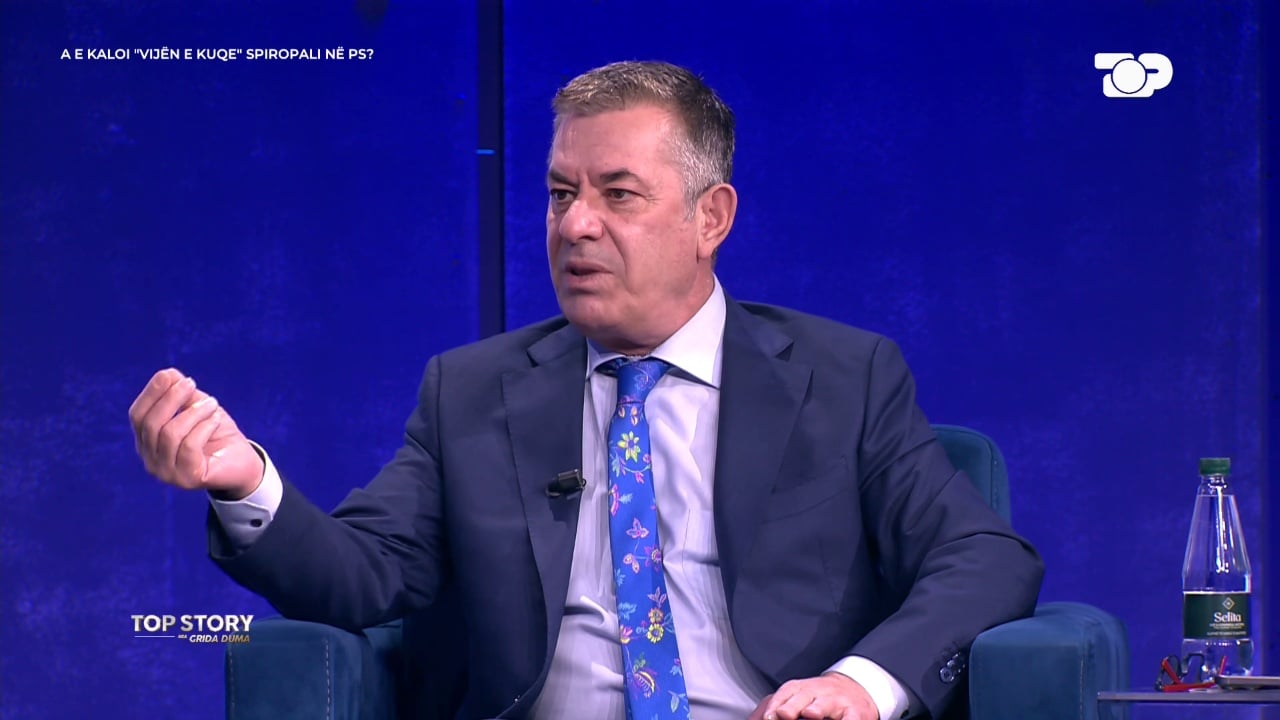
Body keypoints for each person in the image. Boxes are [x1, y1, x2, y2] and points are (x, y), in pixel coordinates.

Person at [129, 60, 1043, 720]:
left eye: (618, 194)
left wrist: (860, 684)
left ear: (711, 218)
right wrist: (243, 481)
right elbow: (363, 575)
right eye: (561, 193)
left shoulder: (844, 377)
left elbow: (985, 558)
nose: (576, 226)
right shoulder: (472, 392)